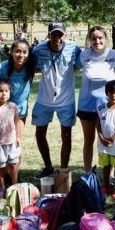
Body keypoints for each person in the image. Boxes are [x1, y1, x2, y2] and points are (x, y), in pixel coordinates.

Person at [31, 22, 81, 178]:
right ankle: (48, 167)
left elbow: (78, 65)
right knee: (40, 134)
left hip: (66, 100)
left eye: (60, 34)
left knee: (66, 134)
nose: (57, 38)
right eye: (54, 34)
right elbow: (33, 67)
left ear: (65, 35)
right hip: (44, 99)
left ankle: (63, 169)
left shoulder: (74, 48)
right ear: (49, 34)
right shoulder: (38, 50)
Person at [77, 26, 115, 173]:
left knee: (109, 140)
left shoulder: (114, 55)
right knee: (88, 140)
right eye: (94, 38)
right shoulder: (83, 55)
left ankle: (111, 175)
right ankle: (88, 172)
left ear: (105, 38)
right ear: (89, 40)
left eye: (100, 38)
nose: (97, 41)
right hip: (87, 105)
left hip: (108, 106)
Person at [0, 39, 34, 129]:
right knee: (1, 139)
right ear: (11, 52)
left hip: (20, 111)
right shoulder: (1, 68)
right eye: (18, 51)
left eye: (25, 52)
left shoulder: (31, 68)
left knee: (17, 140)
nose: (21, 55)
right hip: (1, 110)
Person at [0, 80, 22, 196]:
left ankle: (14, 186)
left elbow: (17, 122)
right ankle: (2, 187)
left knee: (13, 164)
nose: (4, 94)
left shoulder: (13, 107)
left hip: (12, 142)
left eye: (6, 91)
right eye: (0, 91)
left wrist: (18, 137)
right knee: (1, 166)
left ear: (10, 92)